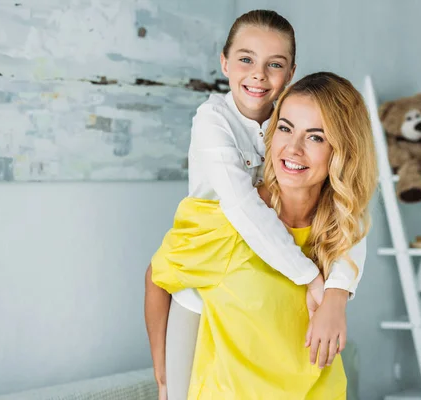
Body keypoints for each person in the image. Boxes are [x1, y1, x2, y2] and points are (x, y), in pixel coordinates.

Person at [144, 10, 367, 399]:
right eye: (246, 59)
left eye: (274, 65)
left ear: (290, 72)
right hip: (206, 269)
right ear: (224, 62)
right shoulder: (212, 120)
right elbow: (241, 209)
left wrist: (336, 295)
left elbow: (352, 215)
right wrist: (163, 378)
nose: (259, 75)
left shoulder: (290, 117)